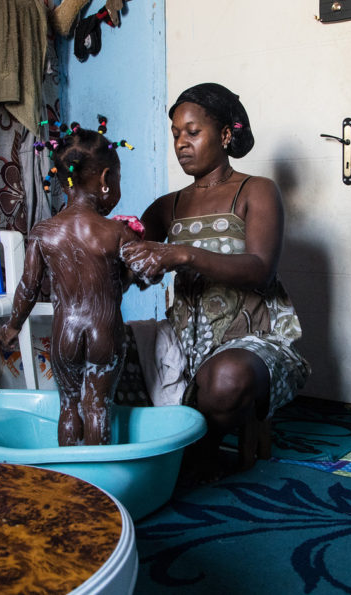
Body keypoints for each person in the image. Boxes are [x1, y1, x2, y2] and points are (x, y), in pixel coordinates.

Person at [119, 82, 310, 481]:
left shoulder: (255, 190)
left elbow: (261, 269)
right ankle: (159, 449)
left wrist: (182, 254)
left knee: (226, 379)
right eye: (175, 135)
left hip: (254, 338)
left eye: (193, 132)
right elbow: (131, 263)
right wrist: (128, 263)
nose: (181, 144)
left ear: (224, 135)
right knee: (103, 350)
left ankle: (185, 457)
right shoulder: (166, 205)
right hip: (182, 338)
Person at [0, 123, 143, 446]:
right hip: (104, 332)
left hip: (65, 334)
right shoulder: (117, 233)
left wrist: (12, 326)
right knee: (96, 407)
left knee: (69, 405)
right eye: (117, 179)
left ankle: (68, 478)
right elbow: (135, 278)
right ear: (106, 180)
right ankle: (99, 485)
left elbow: (28, 288)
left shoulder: (43, 231)